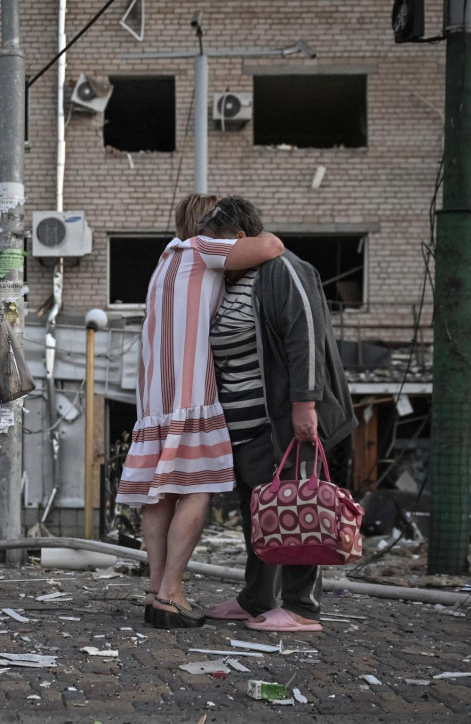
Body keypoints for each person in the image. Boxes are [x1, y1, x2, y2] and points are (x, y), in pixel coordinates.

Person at [116, 194, 285, 629]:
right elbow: (272, 247)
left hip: (154, 395)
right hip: (190, 392)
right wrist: (247, 235)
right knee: (198, 487)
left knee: (160, 493)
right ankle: (173, 592)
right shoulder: (200, 248)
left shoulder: (165, 260)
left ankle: (156, 593)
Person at [202, 197, 356, 632]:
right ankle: (256, 598)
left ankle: (302, 608)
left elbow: (305, 335)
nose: (213, 254)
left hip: (285, 421)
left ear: (239, 239)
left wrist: (305, 405)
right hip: (247, 426)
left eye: (216, 243)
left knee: (299, 505)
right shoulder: (235, 280)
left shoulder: (282, 268)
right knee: (264, 510)